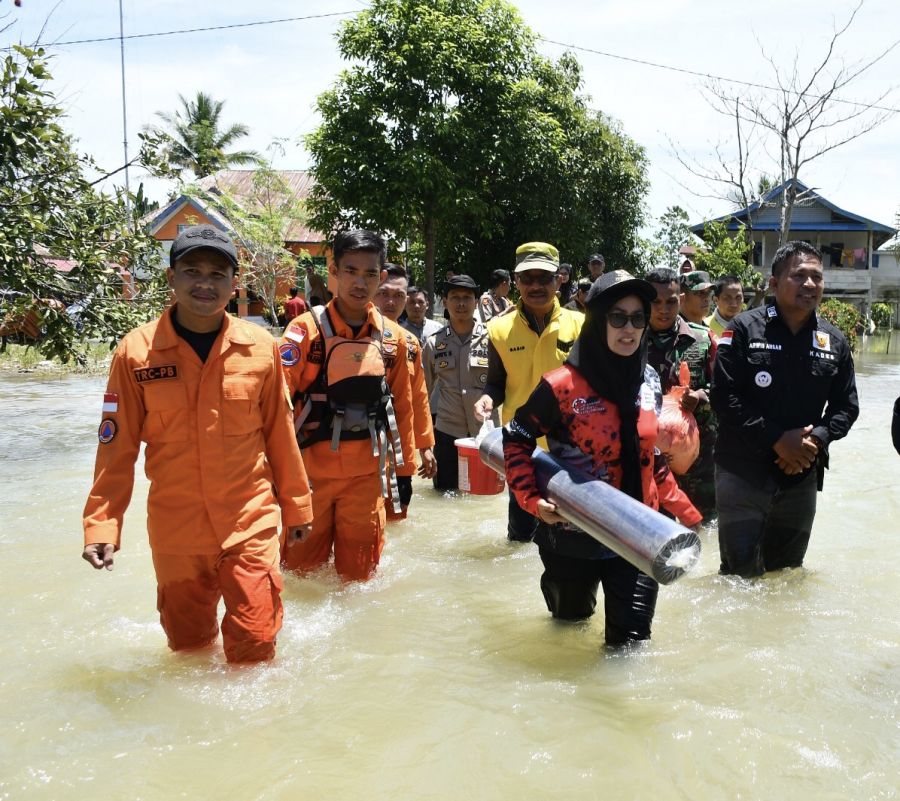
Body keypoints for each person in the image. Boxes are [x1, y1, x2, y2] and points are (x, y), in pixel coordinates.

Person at [82, 224, 313, 663]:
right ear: (171, 277)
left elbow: (280, 434)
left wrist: (297, 506)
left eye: (217, 274)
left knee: (255, 645)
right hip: (177, 532)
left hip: (249, 522)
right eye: (192, 271)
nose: (205, 283)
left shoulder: (260, 348)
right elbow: (117, 448)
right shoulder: (136, 353)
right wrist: (102, 525)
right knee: (189, 651)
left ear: (234, 283)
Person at [502, 271, 701, 645]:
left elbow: (649, 456)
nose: (629, 329)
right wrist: (531, 499)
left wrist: (689, 516)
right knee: (568, 632)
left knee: (630, 647)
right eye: (618, 317)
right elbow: (516, 439)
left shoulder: (649, 380)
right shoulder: (561, 386)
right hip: (572, 533)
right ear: (597, 322)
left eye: (638, 318)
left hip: (641, 534)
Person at [711, 241, 859, 578]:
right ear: (774, 283)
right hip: (742, 472)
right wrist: (777, 439)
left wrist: (815, 440)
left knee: (788, 576)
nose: (810, 284)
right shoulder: (743, 329)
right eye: (799, 275)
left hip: (800, 474)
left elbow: (846, 406)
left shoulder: (834, 341)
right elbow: (723, 396)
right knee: (738, 577)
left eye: (816, 277)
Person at [280, 230, 417, 581]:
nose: (360, 282)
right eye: (351, 271)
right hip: (309, 476)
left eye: (370, 274)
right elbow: (277, 406)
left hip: (366, 479)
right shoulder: (303, 332)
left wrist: (405, 472)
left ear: (381, 277)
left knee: (360, 579)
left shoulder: (393, 338)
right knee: (299, 575)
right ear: (334, 272)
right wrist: (278, 476)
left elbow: (403, 407)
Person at [474, 242, 584, 541]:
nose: (536, 286)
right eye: (527, 278)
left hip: (572, 452)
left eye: (544, 278)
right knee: (520, 536)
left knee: (569, 537)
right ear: (516, 280)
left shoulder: (582, 326)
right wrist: (486, 398)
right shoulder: (498, 329)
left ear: (558, 280)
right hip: (521, 449)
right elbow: (495, 383)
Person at [646, 268, 718, 520]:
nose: (663, 309)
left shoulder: (703, 340)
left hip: (698, 459)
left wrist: (700, 397)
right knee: (655, 528)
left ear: (681, 299)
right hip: (648, 458)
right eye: (655, 302)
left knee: (704, 525)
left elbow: (727, 390)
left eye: (671, 302)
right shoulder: (631, 341)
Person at [374, 264, 437, 517]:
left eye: (399, 295)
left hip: (400, 453)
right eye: (383, 293)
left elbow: (419, 398)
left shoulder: (410, 343)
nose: (391, 302)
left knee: (398, 519)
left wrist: (426, 446)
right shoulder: (349, 338)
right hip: (357, 452)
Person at [424, 275, 498, 490]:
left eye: (467, 297)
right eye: (455, 297)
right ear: (445, 302)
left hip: (485, 431)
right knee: (444, 493)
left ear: (476, 302)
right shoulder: (433, 343)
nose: (461, 303)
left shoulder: (493, 339)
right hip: (447, 431)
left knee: (486, 493)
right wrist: (424, 440)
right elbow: (422, 393)